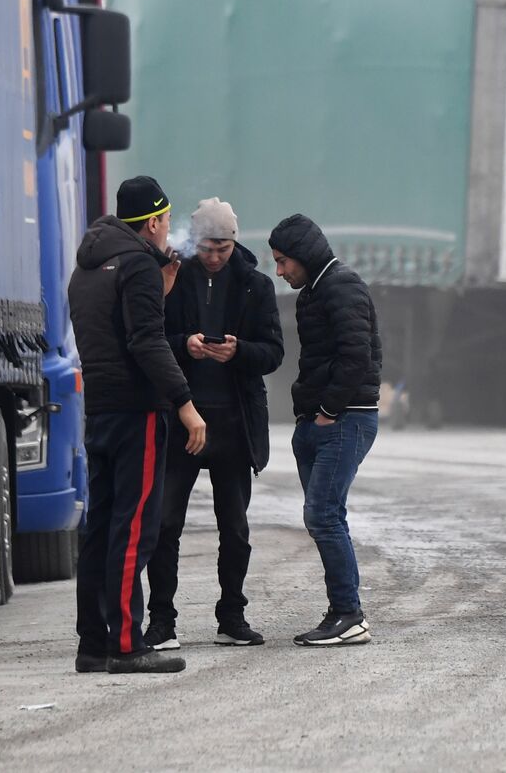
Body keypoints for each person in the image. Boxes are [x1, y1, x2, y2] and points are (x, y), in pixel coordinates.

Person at [67, 175, 207, 675]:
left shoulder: (87, 269)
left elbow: (113, 330)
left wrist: (161, 289)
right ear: (152, 222)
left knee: (101, 527)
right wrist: (185, 404)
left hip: (101, 410)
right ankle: (127, 644)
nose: (169, 231)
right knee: (135, 529)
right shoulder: (139, 266)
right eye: (167, 222)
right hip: (138, 413)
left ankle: (94, 643)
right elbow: (146, 341)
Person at [145, 198, 284, 650]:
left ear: (234, 242)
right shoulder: (173, 278)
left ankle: (233, 617)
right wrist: (185, 345)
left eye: (223, 247)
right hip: (183, 419)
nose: (214, 256)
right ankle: (161, 621)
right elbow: (150, 339)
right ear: (194, 241)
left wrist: (239, 351)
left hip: (233, 421)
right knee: (166, 525)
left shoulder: (256, 286)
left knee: (235, 528)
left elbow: (274, 353)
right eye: (206, 246)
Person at [268, 214, 382, 647]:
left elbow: (359, 353)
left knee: (323, 515)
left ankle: (350, 614)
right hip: (320, 420)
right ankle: (342, 610)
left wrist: (330, 411)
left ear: (304, 255)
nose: (280, 271)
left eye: (283, 262)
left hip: (345, 418)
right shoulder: (315, 290)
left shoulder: (342, 285)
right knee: (326, 517)